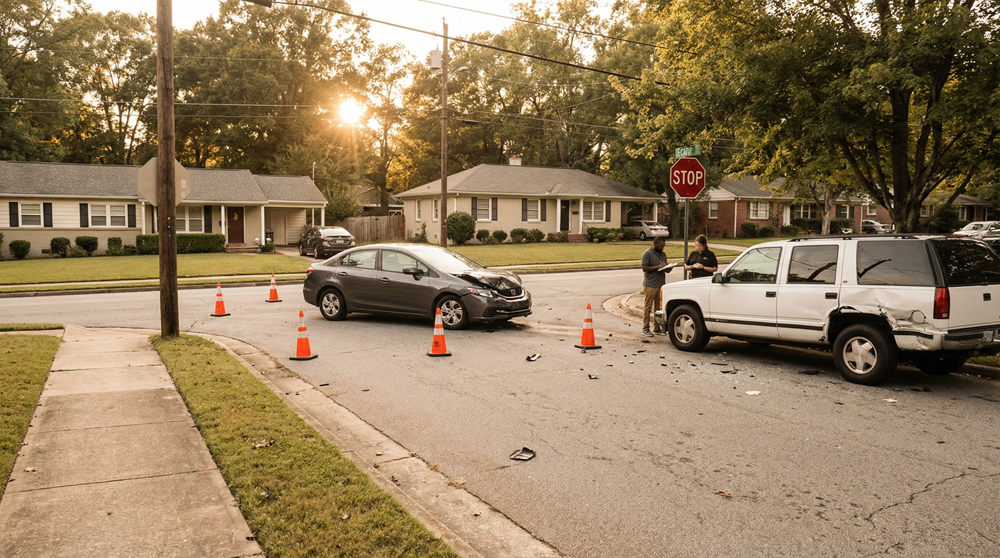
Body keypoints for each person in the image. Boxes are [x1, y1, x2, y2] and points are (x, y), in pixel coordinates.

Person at [640, 236, 671, 337]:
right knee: (648, 307)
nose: (662, 248)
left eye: (663, 246)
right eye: (661, 246)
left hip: (660, 284)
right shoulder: (647, 253)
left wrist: (668, 268)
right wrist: (658, 267)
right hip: (650, 284)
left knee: (658, 308)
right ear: (655, 244)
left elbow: (664, 266)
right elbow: (644, 268)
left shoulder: (663, 254)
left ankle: (657, 327)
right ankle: (645, 328)